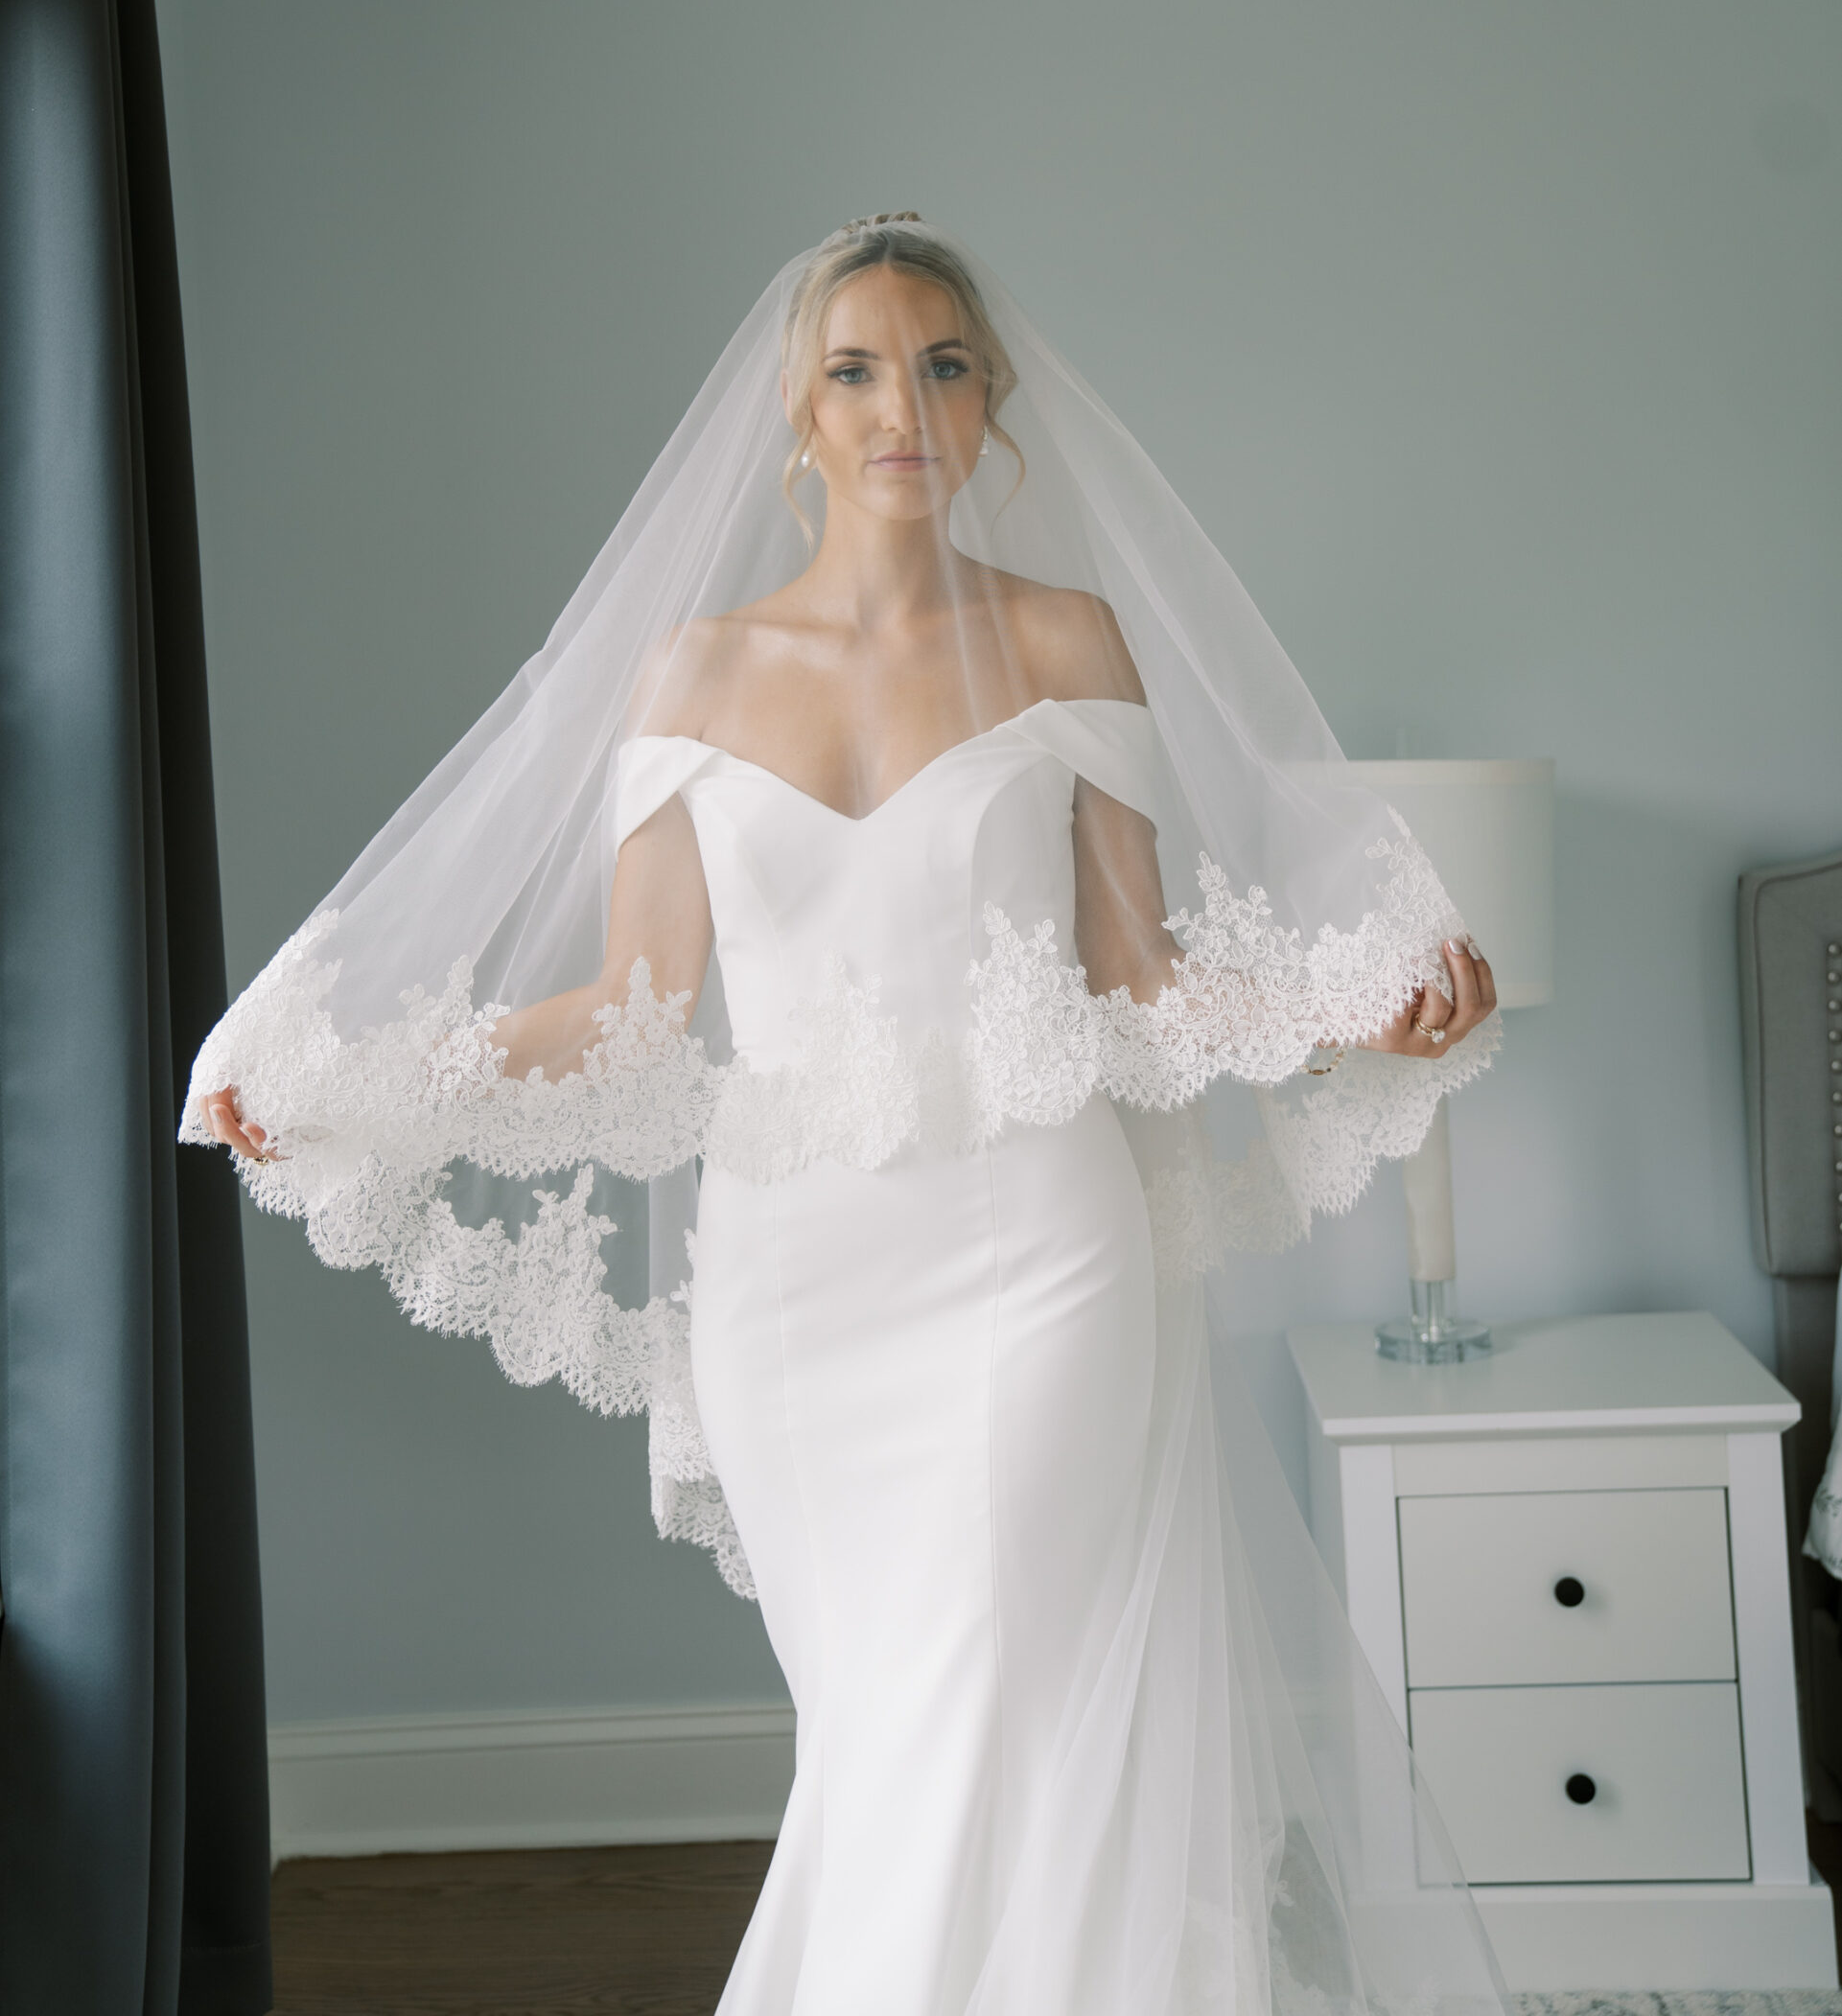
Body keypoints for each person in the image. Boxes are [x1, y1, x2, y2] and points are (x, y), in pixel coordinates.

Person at [192, 217, 1506, 2015]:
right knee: (887, 1724)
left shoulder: (1067, 641)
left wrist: (1369, 1000)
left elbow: (1138, 982)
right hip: (795, 1287)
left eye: (944, 364)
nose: (905, 404)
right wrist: (348, 1085)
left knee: (994, 1709)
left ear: (995, 408)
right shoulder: (693, 672)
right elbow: (634, 1015)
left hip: (1037, 1256)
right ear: (793, 421)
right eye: (857, 368)